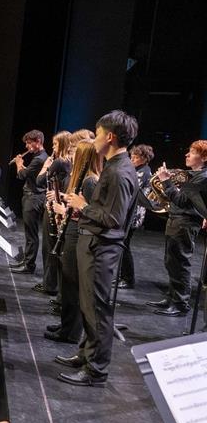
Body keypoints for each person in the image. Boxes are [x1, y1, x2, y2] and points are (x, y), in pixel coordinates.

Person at [56, 110, 139, 387]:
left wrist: (83, 206)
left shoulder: (118, 171)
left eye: (99, 133)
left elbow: (113, 218)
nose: (95, 139)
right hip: (95, 243)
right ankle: (85, 354)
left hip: (101, 247)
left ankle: (96, 370)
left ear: (110, 137)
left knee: (97, 310)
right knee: (88, 305)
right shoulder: (115, 166)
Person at [45, 139, 101, 343]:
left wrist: (64, 210)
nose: (70, 156)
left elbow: (88, 212)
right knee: (67, 285)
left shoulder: (89, 181)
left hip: (77, 234)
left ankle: (70, 332)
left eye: (74, 152)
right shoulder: (85, 179)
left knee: (71, 285)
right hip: (73, 233)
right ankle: (66, 325)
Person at [146, 140, 207, 317]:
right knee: (171, 261)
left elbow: (181, 200)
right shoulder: (192, 174)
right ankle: (172, 298)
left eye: (192, 152)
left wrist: (166, 181)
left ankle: (180, 303)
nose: (187, 155)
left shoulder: (202, 177)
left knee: (181, 263)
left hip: (186, 222)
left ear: (204, 158)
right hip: (176, 219)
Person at [33, 131, 73, 296]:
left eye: (56, 144)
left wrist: (45, 166)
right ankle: (51, 283)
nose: (53, 147)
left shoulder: (58, 162)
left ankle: (49, 284)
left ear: (62, 145)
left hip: (55, 207)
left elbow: (39, 181)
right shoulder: (69, 163)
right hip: (60, 205)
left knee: (49, 246)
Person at [10, 130, 49, 274]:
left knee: (31, 234)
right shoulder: (39, 157)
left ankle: (29, 265)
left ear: (38, 141)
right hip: (31, 196)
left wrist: (19, 163)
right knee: (28, 232)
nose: (27, 146)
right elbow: (30, 174)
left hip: (34, 198)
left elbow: (22, 175)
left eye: (29, 142)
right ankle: (27, 260)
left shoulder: (40, 158)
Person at [118, 144, 154, 289]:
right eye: (132, 155)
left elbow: (130, 189)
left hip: (133, 214)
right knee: (122, 246)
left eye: (136, 156)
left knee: (125, 246)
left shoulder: (144, 172)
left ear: (144, 159)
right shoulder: (136, 169)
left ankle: (128, 279)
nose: (132, 158)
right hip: (129, 212)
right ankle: (123, 276)